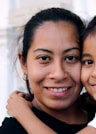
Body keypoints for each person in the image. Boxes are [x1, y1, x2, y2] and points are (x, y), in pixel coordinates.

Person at [0, 7, 94, 134]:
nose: (58, 74)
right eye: (44, 58)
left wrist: (22, 112)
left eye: (71, 58)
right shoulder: (13, 130)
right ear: (24, 63)